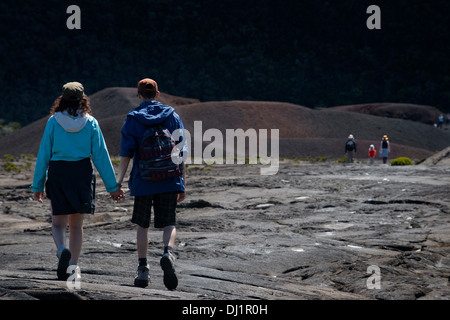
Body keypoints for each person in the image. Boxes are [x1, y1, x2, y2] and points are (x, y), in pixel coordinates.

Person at [30, 82, 124, 282]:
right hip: (82, 173)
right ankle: (73, 266)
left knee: (57, 224)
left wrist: (37, 186)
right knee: (76, 225)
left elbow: (43, 155)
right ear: (83, 99)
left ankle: (61, 249)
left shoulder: (53, 122)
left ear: (62, 99)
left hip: (59, 172)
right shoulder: (90, 122)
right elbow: (101, 156)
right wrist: (112, 187)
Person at [117, 78, 187, 290]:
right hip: (169, 179)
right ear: (157, 94)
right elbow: (181, 151)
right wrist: (181, 182)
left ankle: (143, 271)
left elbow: (126, 154)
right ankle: (168, 253)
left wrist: (117, 183)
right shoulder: (173, 116)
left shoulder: (132, 119)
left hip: (143, 181)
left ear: (138, 95)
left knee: (142, 226)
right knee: (169, 223)